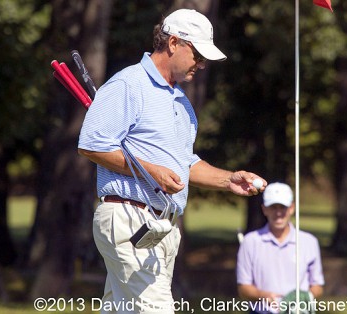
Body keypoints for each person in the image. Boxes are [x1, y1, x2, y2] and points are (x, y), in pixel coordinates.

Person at [78, 8, 266, 314]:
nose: (202, 65)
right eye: (198, 55)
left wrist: (227, 180)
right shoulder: (129, 84)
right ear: (174, 43)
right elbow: (91, 145)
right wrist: (151, 172)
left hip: (161, 227)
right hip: (129, 218)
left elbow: (184, 163)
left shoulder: (181, 102)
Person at [236, 182, 324, 314]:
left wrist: (305, 297)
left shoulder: (309, 242)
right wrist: (262, 295)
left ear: (292, 208)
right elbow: (243, 288)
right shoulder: (250, 242)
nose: (278, 213)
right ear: (264, 209)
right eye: (273, 207)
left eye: (283, 207)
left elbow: (317, 286)